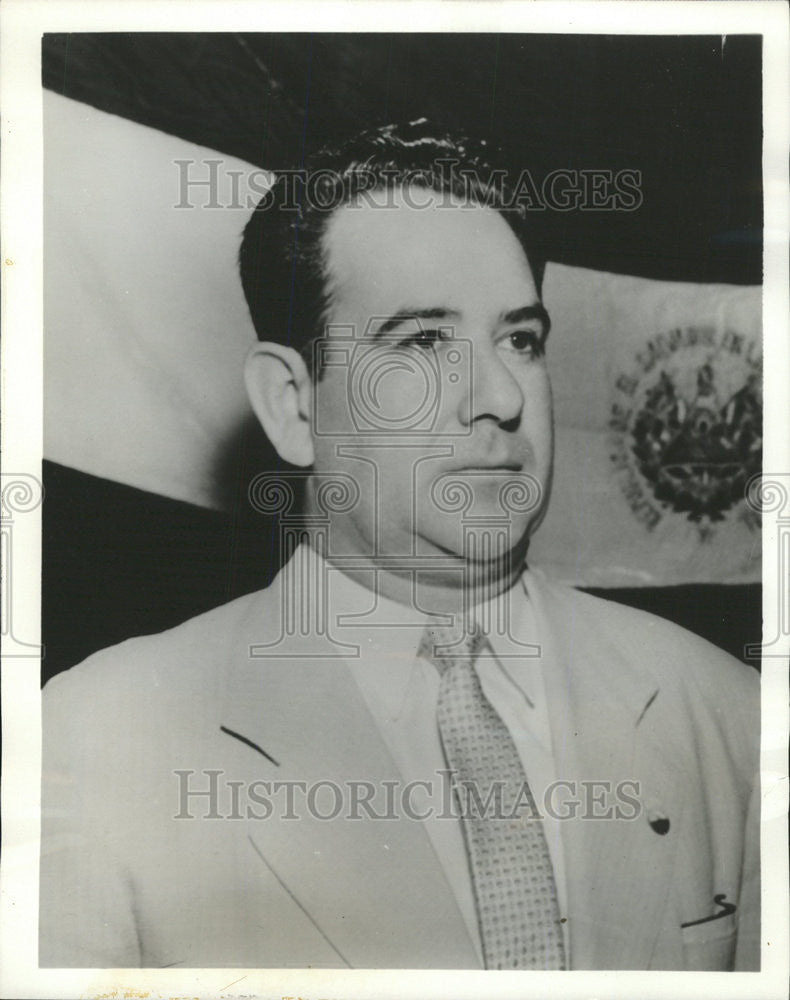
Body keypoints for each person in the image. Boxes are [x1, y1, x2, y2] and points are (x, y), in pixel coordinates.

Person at [40, 120, 759, 971]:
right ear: (294, 407)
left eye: (520, 340)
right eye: (423, 343)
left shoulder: (732, 715)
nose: (498, 396)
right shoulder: (100, 740)